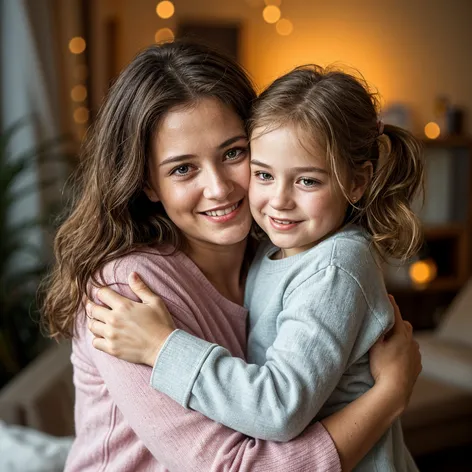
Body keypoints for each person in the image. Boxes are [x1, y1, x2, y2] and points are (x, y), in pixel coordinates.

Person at [42, 41, 421, 472]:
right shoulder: (125, 294)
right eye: (183, 168)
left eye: (233, 153)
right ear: (148, 184)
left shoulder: (277, 253)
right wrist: (388, 398)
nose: (220, 188)